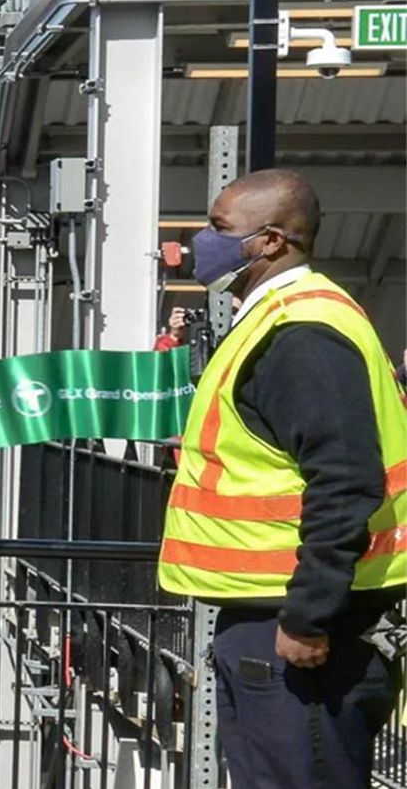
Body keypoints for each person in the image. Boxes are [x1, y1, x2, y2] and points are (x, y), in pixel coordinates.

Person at [156, 168, 406, 788]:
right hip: (278, 617)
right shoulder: (284, 316)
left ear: (269, 241)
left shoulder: (300, 332)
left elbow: (346, 479)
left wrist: (307, 615)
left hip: (301, 629)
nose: (198, 244)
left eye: (218, 229)